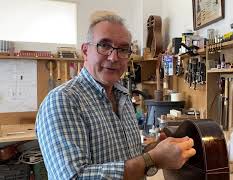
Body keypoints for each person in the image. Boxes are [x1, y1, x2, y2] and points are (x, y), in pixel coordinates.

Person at [36, 13, 196, 179]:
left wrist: (154, 150)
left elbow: (129, 156)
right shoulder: (63, 101)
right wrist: (152, 159)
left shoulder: (123, 97)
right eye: (104, 45)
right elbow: (75, 177)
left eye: (123, 49)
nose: (113, 57)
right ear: (85, 51)